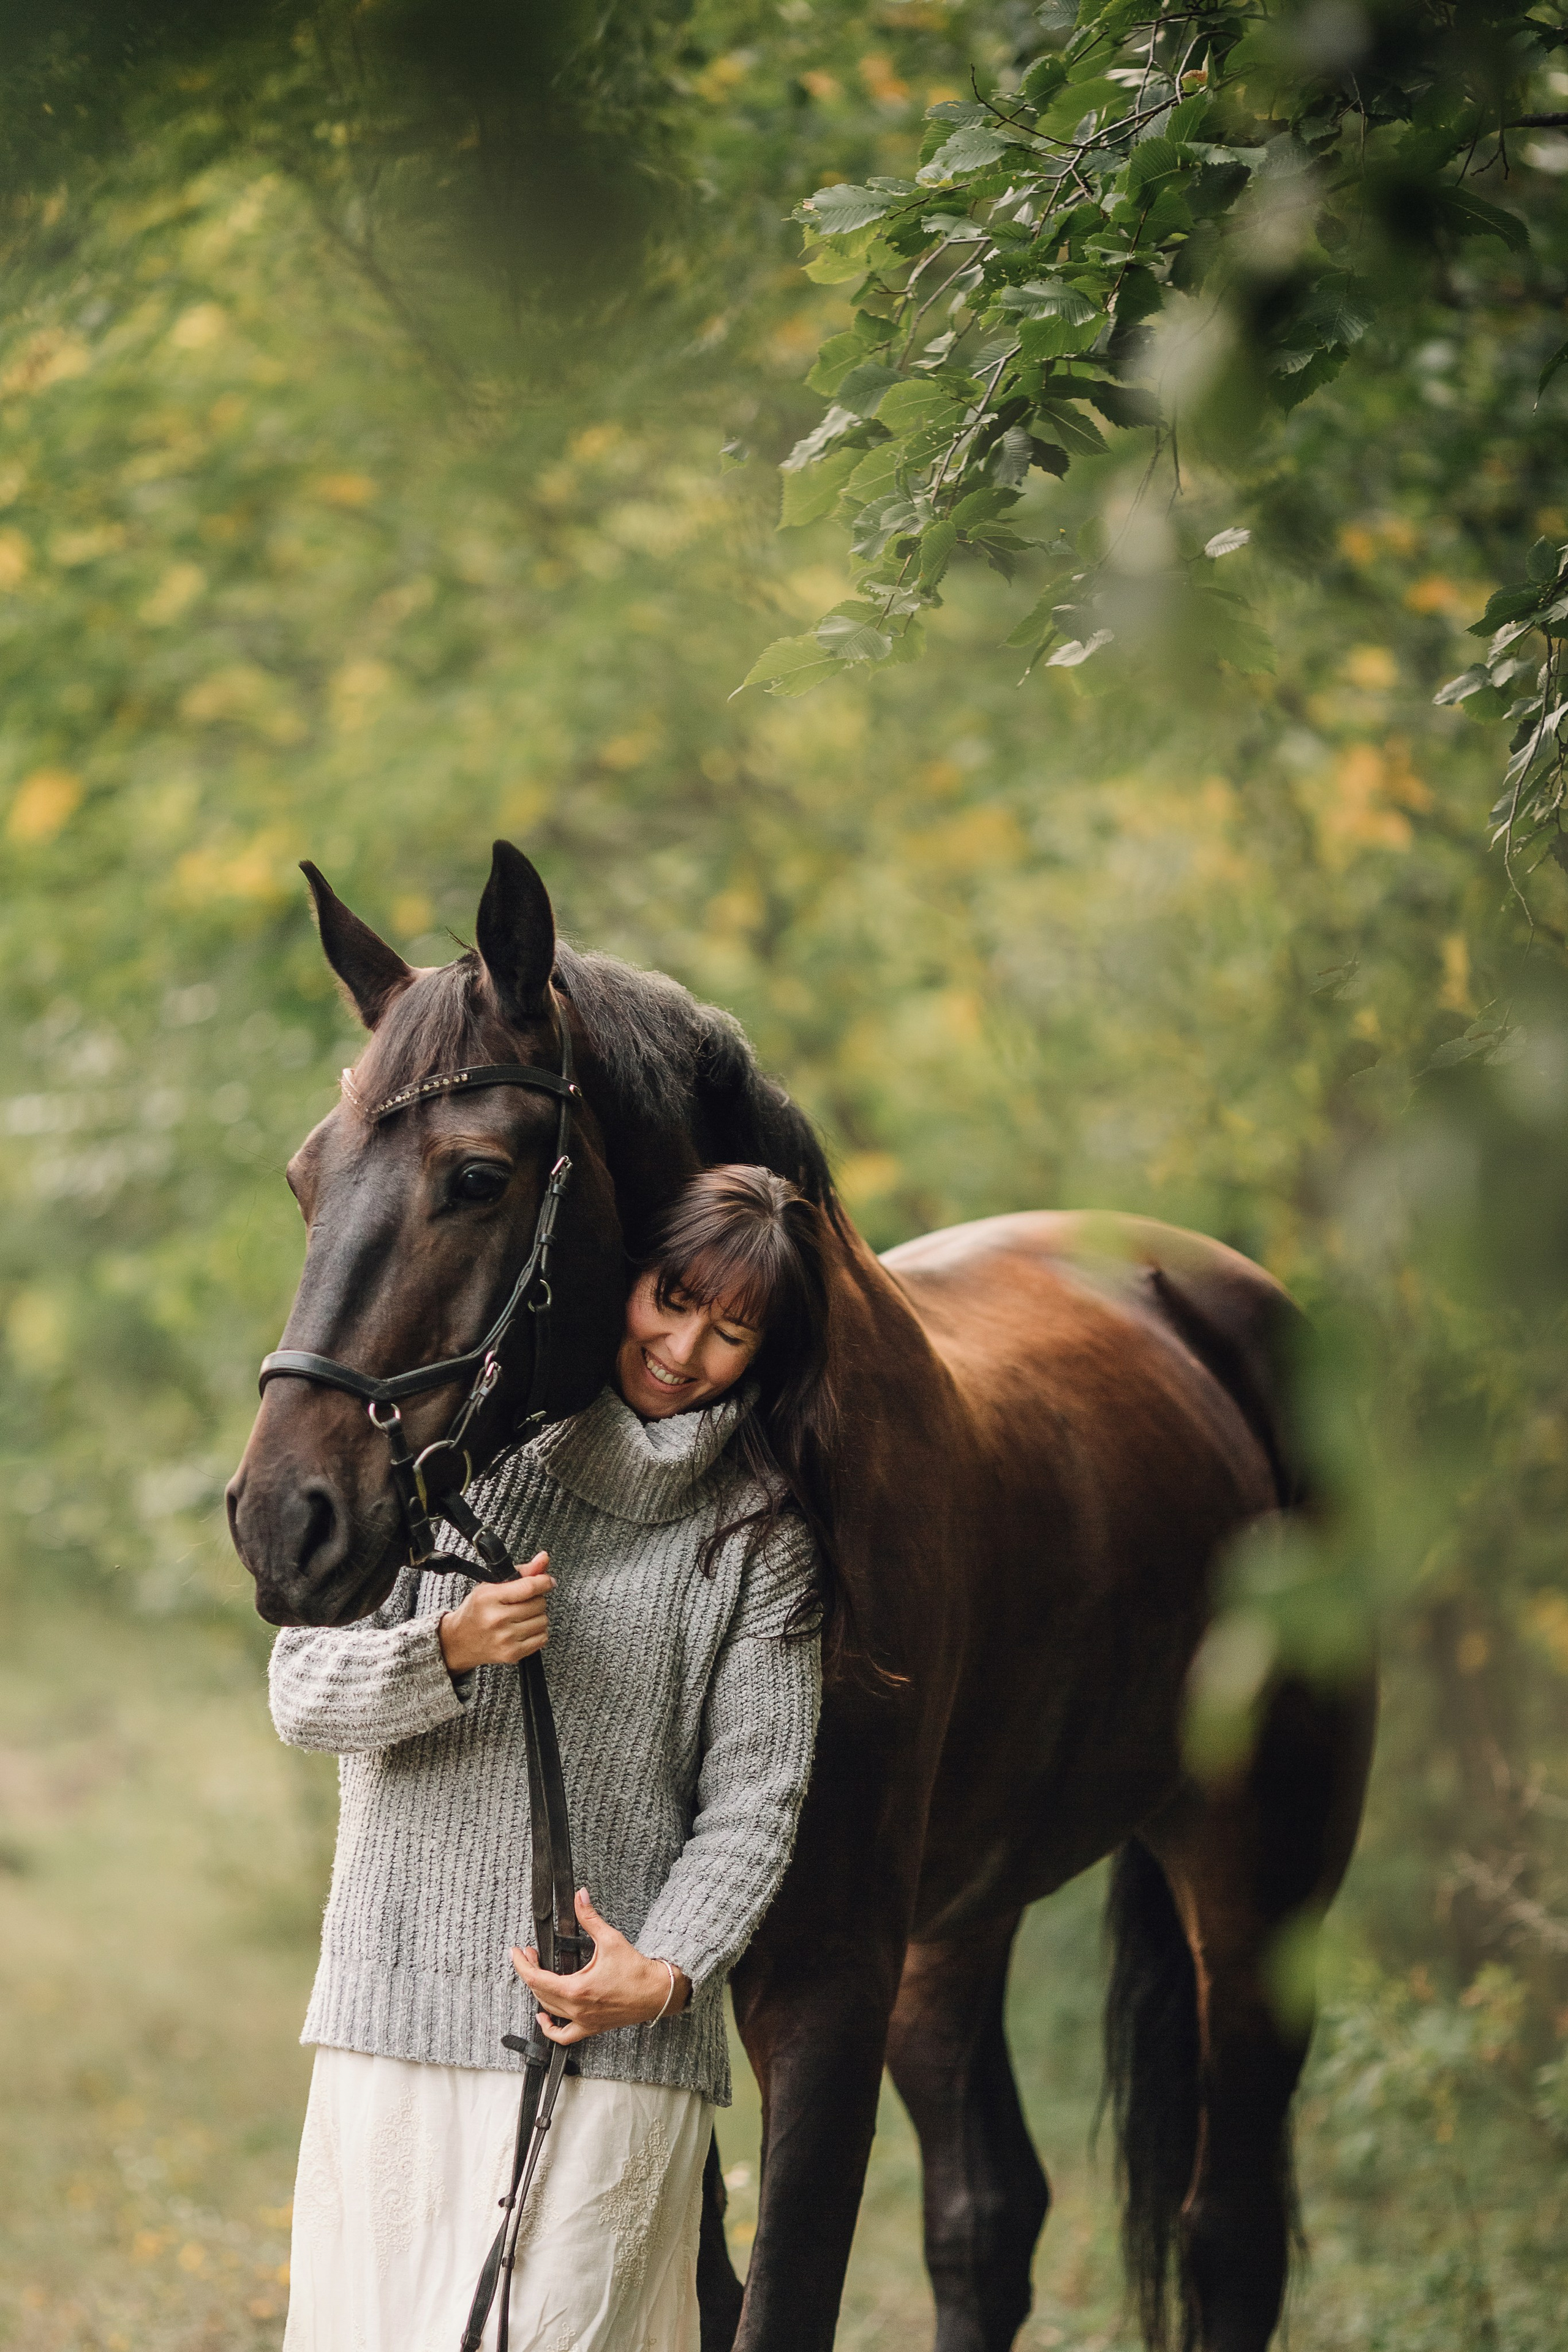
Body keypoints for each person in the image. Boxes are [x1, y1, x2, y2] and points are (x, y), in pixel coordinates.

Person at [270, 1164, 834, 2352]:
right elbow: (300, 1692)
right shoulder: (456, 1464)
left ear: (767, 1354)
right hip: (396, 2012)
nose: (685, 1349)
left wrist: (670, 1972)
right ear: (621, 1279)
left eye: (731, 1332)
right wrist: (448, 1650)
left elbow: (756, 1801)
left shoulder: (760, 1537)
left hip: (615, 2042)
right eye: (671, 1300)